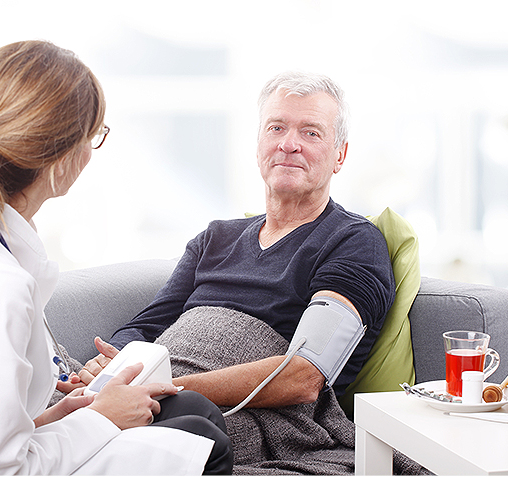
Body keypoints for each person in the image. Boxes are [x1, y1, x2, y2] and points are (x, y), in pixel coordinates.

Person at [0, 40, 232, 475]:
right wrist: (101, 418)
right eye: (94, 136)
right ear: (61, 159)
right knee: (203, 443)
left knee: (191, 409)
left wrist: (59, 417)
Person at [79, 72, 395, 411]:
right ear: (258, 146)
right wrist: (110, 367)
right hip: (153, 394)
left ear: (339, 155)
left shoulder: (353, 242)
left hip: (242, 413)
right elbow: (144, 329)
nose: (289, 144)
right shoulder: (215, 238)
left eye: (311, 132)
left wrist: (158, 389)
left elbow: (304, 375)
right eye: (276, 128)